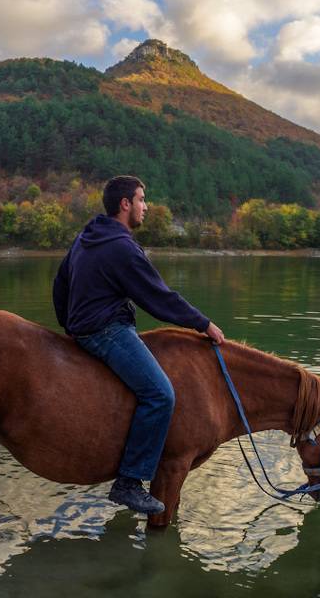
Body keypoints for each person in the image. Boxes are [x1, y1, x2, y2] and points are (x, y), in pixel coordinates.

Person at [53, 175, 225, 514]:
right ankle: (129, 482)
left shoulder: (87, 237)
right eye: (142, 199)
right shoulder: (121, 246)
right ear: (125, 204)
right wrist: (203, 323)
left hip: (84, 327)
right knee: (160, 394)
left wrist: (68, 324)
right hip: (106, 330)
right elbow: (158, 297)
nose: (146, 206)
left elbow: (60, 285)